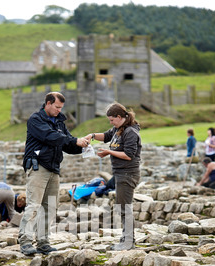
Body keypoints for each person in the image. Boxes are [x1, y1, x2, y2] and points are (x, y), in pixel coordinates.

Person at [19, 92, 89, 255]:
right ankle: (25, 241)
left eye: (61, 108)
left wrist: (82, 145)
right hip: (38, 167)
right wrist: (73, 140)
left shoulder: (59, 122)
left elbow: (67, 142)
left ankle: (43, 242)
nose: (59, 110)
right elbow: (50, 137)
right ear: (48, 103)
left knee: (50, 207)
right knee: (34, 205)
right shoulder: (35, 119)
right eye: (57, 107)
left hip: (54, 168)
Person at [85, 103, 141, 251]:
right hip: (120, 174)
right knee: (122, 206)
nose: (110, 123)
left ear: (119, 117)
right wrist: (91, 136)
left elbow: (128, 155)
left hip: (128, 174)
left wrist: (108, 152)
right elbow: (106, 136)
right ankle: (126, 238)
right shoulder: (118, 129)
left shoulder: (130, 132)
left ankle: (128, 242)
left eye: (112, 120)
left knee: (125, 208)